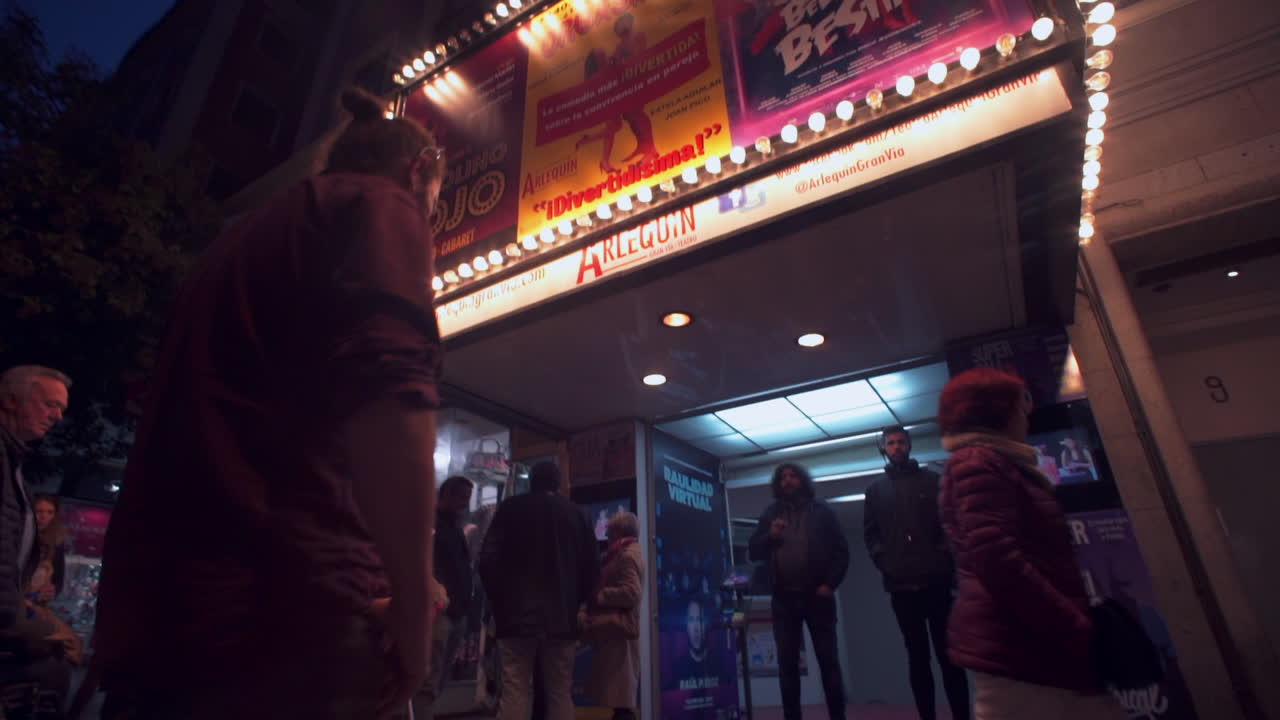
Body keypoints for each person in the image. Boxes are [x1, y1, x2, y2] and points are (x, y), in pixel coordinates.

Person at [94, 87, 447, 720]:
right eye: (434, 203)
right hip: (284, 621)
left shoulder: (235, 244)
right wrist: (414, 604)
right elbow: (391, 393)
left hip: (162, 622)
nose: (429, 219)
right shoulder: (378, 202)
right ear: (418, 170)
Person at [938, 368, 1126, 720]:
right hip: (1020, 646)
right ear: (996, 411)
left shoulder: (995, 463)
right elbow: (996, 558)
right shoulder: (977, 463)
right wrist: (1072, 623)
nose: (1027, 410)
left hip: (1031, 644)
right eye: (1019, 402)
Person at [478, 462, 599, 720]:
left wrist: (500, 599)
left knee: (515, 687)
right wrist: (576, 603)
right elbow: (592, 568)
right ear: (558, 483)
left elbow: (487, 560)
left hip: (514, 616)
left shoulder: (510, 508)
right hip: (562, 618)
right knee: (559, 691)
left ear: (531, 481)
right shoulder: (578, 514)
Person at [864, 426, 969, 720]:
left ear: (909, 446)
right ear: (884, 449)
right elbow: (871, 535)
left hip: (937, 582)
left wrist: (942, 557)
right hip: (901, 586)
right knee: (917, 657)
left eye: (901, 442)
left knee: (949, 656)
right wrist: (885, 562)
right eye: (891, 443)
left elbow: (950, 523)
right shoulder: (875, 491)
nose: (896, 447)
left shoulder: (933, 481)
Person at [748, 463, 849, 720]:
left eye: (793, 476)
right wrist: (770, 536)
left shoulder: (822, 511)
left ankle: (838, 716)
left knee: (828, 662)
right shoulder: (770, 513)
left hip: (818, 597)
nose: (787, 480)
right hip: (784, 599)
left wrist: (830, 584)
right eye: (783, 477)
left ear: (802, 480)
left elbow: (841, 552)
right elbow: (754, 551)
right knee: (787, 665)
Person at [0, 365, 74, 716]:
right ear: (10, 400)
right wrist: (18, 621)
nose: (57, 417)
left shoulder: (12, 461)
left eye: (61, 409)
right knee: (53, 667)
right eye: (50, 404)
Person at [417, 475, 476, 719]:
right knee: (428, 679)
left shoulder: (454, 526)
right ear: (447, 495)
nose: (465, 503)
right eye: (461, 497)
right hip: (439, 611)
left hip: (454, 612)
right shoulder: (431, 525)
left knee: (438, 678)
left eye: (467, 498)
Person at [583, 511, 643, 720]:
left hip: (620, 635)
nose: (606, 535)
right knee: (620, 700)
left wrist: (600, 596)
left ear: (619, 532)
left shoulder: (626, 556)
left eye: (609, 531)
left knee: (622, 701)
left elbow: (631, 593)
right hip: (618, 634)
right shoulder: (627, 552)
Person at [28, 494, 68, 605]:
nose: (44, 516)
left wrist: (52, 591)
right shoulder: (19, 536)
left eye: (50, 512)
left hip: (36, 602)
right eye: (39, 511)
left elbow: (58, 579)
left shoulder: (56, 543)